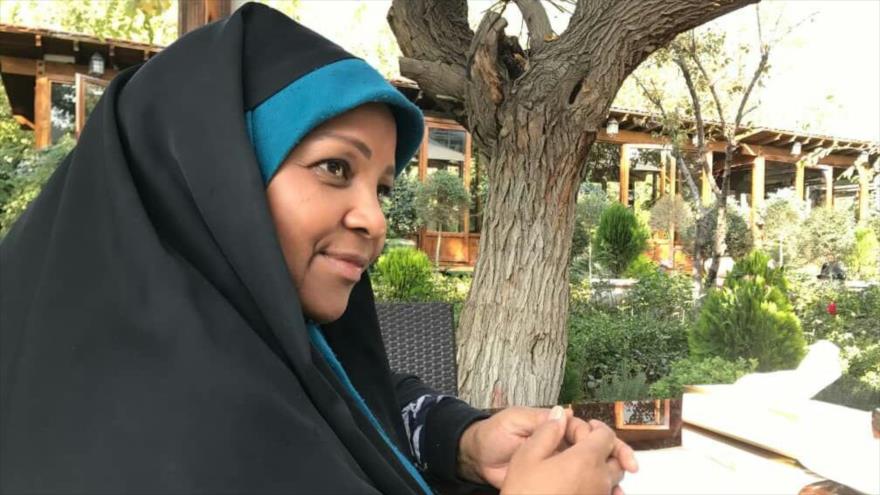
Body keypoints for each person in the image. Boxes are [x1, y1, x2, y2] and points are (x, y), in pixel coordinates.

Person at [0, 3, 636, 494]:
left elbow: (340, 388)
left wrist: (459, 438)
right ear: (210, 176)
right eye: (335, 168)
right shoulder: (157, 431)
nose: (374, 220)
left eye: (381, 188)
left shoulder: (221, 338)